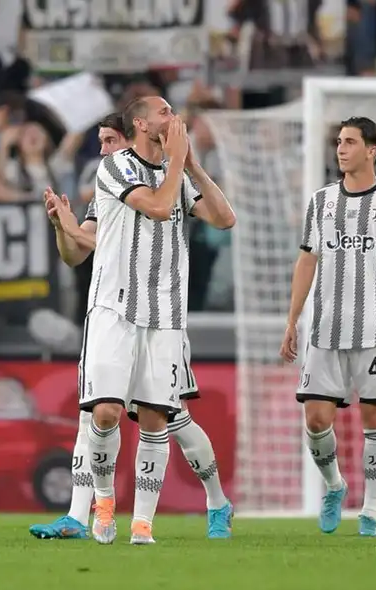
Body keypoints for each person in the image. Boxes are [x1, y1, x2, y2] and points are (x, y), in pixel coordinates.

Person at [29, 112, 234, 541]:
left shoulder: (163, 175)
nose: (101, 150)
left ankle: (215, 500)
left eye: (108, 140)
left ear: (130, 135)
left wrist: (187, 162)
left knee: (173, 421)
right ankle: (82, 514)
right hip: (115, 312)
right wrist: (61, 229)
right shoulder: (113, 174)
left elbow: (216, 217)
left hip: (163, 317)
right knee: (98, 413)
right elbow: (79, 251)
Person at [279, 116, 376, 537]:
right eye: (339, 142)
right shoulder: (321, 201)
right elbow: (307, 260)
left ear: (371, 150)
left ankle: (371, 514)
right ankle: (334, 485)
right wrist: (292, 321)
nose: (341, 149)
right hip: (323, 329)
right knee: (316, 420)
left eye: (350, 142)